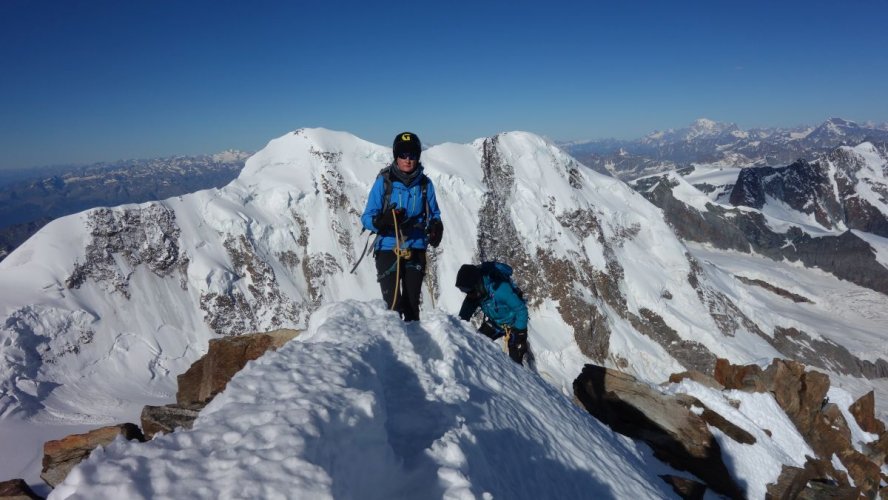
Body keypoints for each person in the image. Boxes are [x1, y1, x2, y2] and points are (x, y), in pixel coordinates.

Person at [361, 132, 443, 321]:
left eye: (412, 155)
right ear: (396, 157)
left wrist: (435, 226)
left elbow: (434, 214)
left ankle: (414, 346)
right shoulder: (384, 182)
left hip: (415, 246)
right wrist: (382, 221)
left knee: (412, 303)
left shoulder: (425, 184)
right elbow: (367, 217)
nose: (408, 160)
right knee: (392, 304)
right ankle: (396, 347)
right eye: (403, 155)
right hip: (388, 246)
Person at [455, 262, 530, 364]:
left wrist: (520, 332)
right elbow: (463, 317)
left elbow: (521, 310)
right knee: (475, 344)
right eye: (466, 291)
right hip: (496, 323)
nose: (468, 294)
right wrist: (456, 330)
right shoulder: (475, 294)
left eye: (469, 290)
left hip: (514, 325)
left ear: (477, 283)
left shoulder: (500, 289)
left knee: (515, 361)